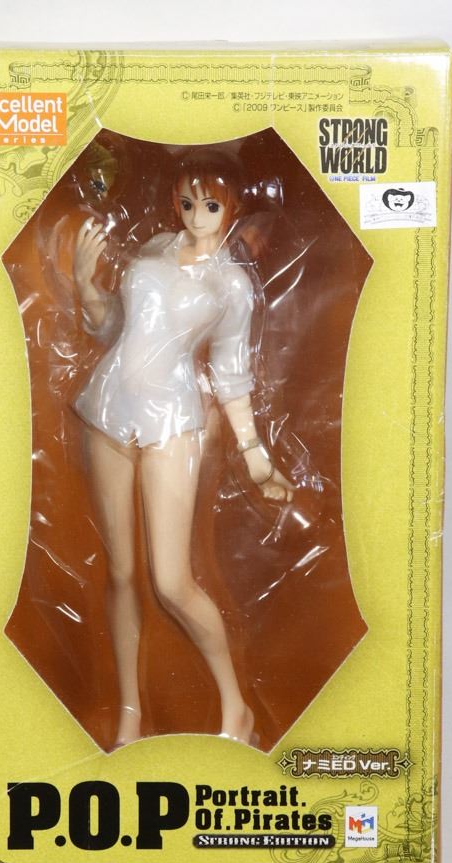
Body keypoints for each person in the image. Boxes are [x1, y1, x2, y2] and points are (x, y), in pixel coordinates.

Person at [72, 152, 294, 748]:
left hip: (173, 423)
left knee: (171, 581)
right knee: (120, 573)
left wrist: (255, 456)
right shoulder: (153, 250)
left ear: (233, 208)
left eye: (211, 205)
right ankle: (129, 714)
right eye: (188, 202)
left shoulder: (232, 285)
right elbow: (112, 329)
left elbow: (232, 376)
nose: (197, 216)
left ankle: (236, 707)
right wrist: (85, 286)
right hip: (107, 409)